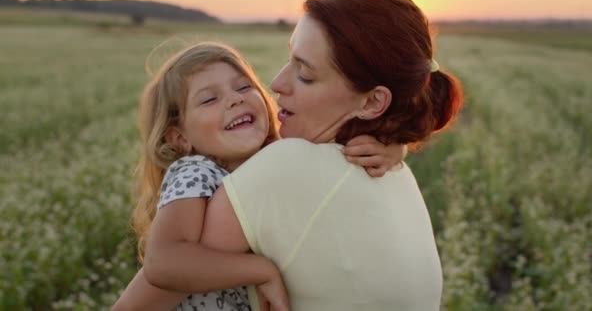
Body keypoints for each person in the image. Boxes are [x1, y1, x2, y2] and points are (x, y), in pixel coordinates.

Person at [141, 0, 463, 310]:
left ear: (373, 102)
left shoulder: (283, 166)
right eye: (289, 59)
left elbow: (141, 300)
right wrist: (397, 146)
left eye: (305, 74)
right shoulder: (393, 172)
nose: (276, 84)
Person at [113, 41, 406, 310]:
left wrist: (394, 149)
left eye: (243, 88)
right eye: (209, 99)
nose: (234, 100)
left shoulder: (269, 162)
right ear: (179, 138)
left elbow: (331, 149)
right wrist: (261, 270)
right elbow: (163, 262)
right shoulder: (196, 171)